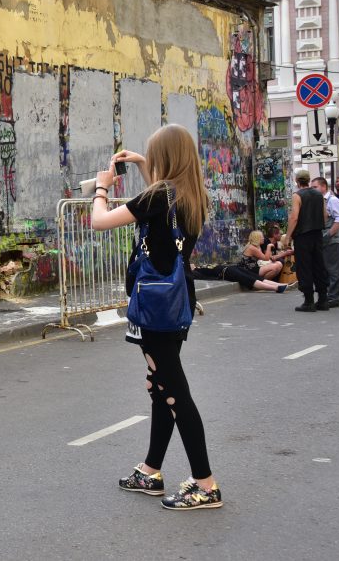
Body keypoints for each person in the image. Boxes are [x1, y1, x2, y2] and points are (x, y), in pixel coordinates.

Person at [91, 124, 222, 511]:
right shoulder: (193, 195)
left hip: (154, 307)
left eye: (153, 154)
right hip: (176, 303)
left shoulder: (157, 196)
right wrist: (145, 162)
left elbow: (99, 221)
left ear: (164, 159)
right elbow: (162, 195)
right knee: (161, 386)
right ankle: (151, 471)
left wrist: (102, 187)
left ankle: (206, 483)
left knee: (174, 393)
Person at [285, 169, 329, 312]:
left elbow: (294, 217)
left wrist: (288, 236)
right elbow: (325, 215)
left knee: (304, 268)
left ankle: (308, 301)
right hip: (317, 234)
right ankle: (323, 300)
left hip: (303, 236)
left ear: (297, 181)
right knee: (318, 266)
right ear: (309, 180)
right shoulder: (319, 195)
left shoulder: (297, 196)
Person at [314, 177, 339, 307]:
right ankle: (328, 295)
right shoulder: (321, 201)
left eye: (315, 187)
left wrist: (328, 235)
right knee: (326, 269)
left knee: (334, 269)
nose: (313, 190)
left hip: (333, 240)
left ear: (323, 187)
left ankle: (335, 298)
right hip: (324, 239)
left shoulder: (332, 200)